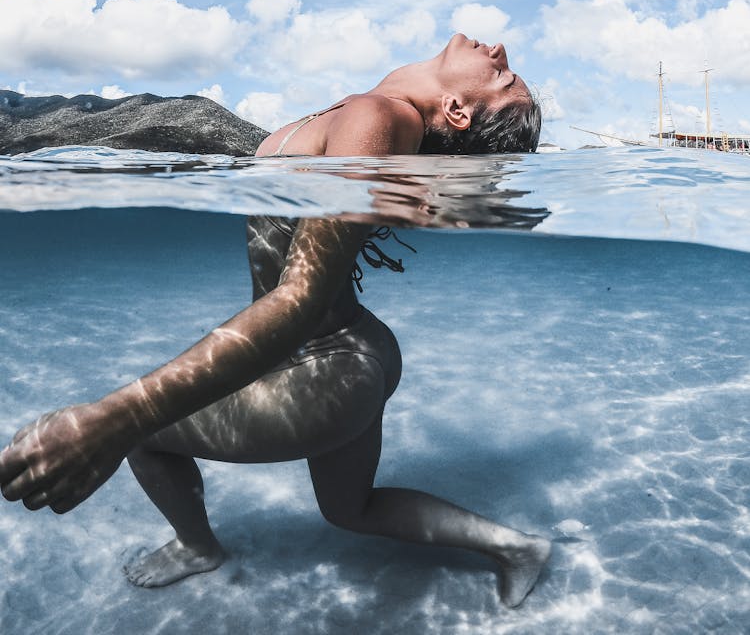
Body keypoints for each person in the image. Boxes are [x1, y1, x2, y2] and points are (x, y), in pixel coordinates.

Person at [0, 34, 550, 609]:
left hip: (328, 370)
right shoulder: (367, 115)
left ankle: (196, 548)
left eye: (503, 78)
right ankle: (518, 547)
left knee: (143, 436)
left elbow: (299, 298)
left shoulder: (376, 116)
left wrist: (108, 420)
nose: (501, 51)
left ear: (457, 111)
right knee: (349, 509)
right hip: (352, 353)